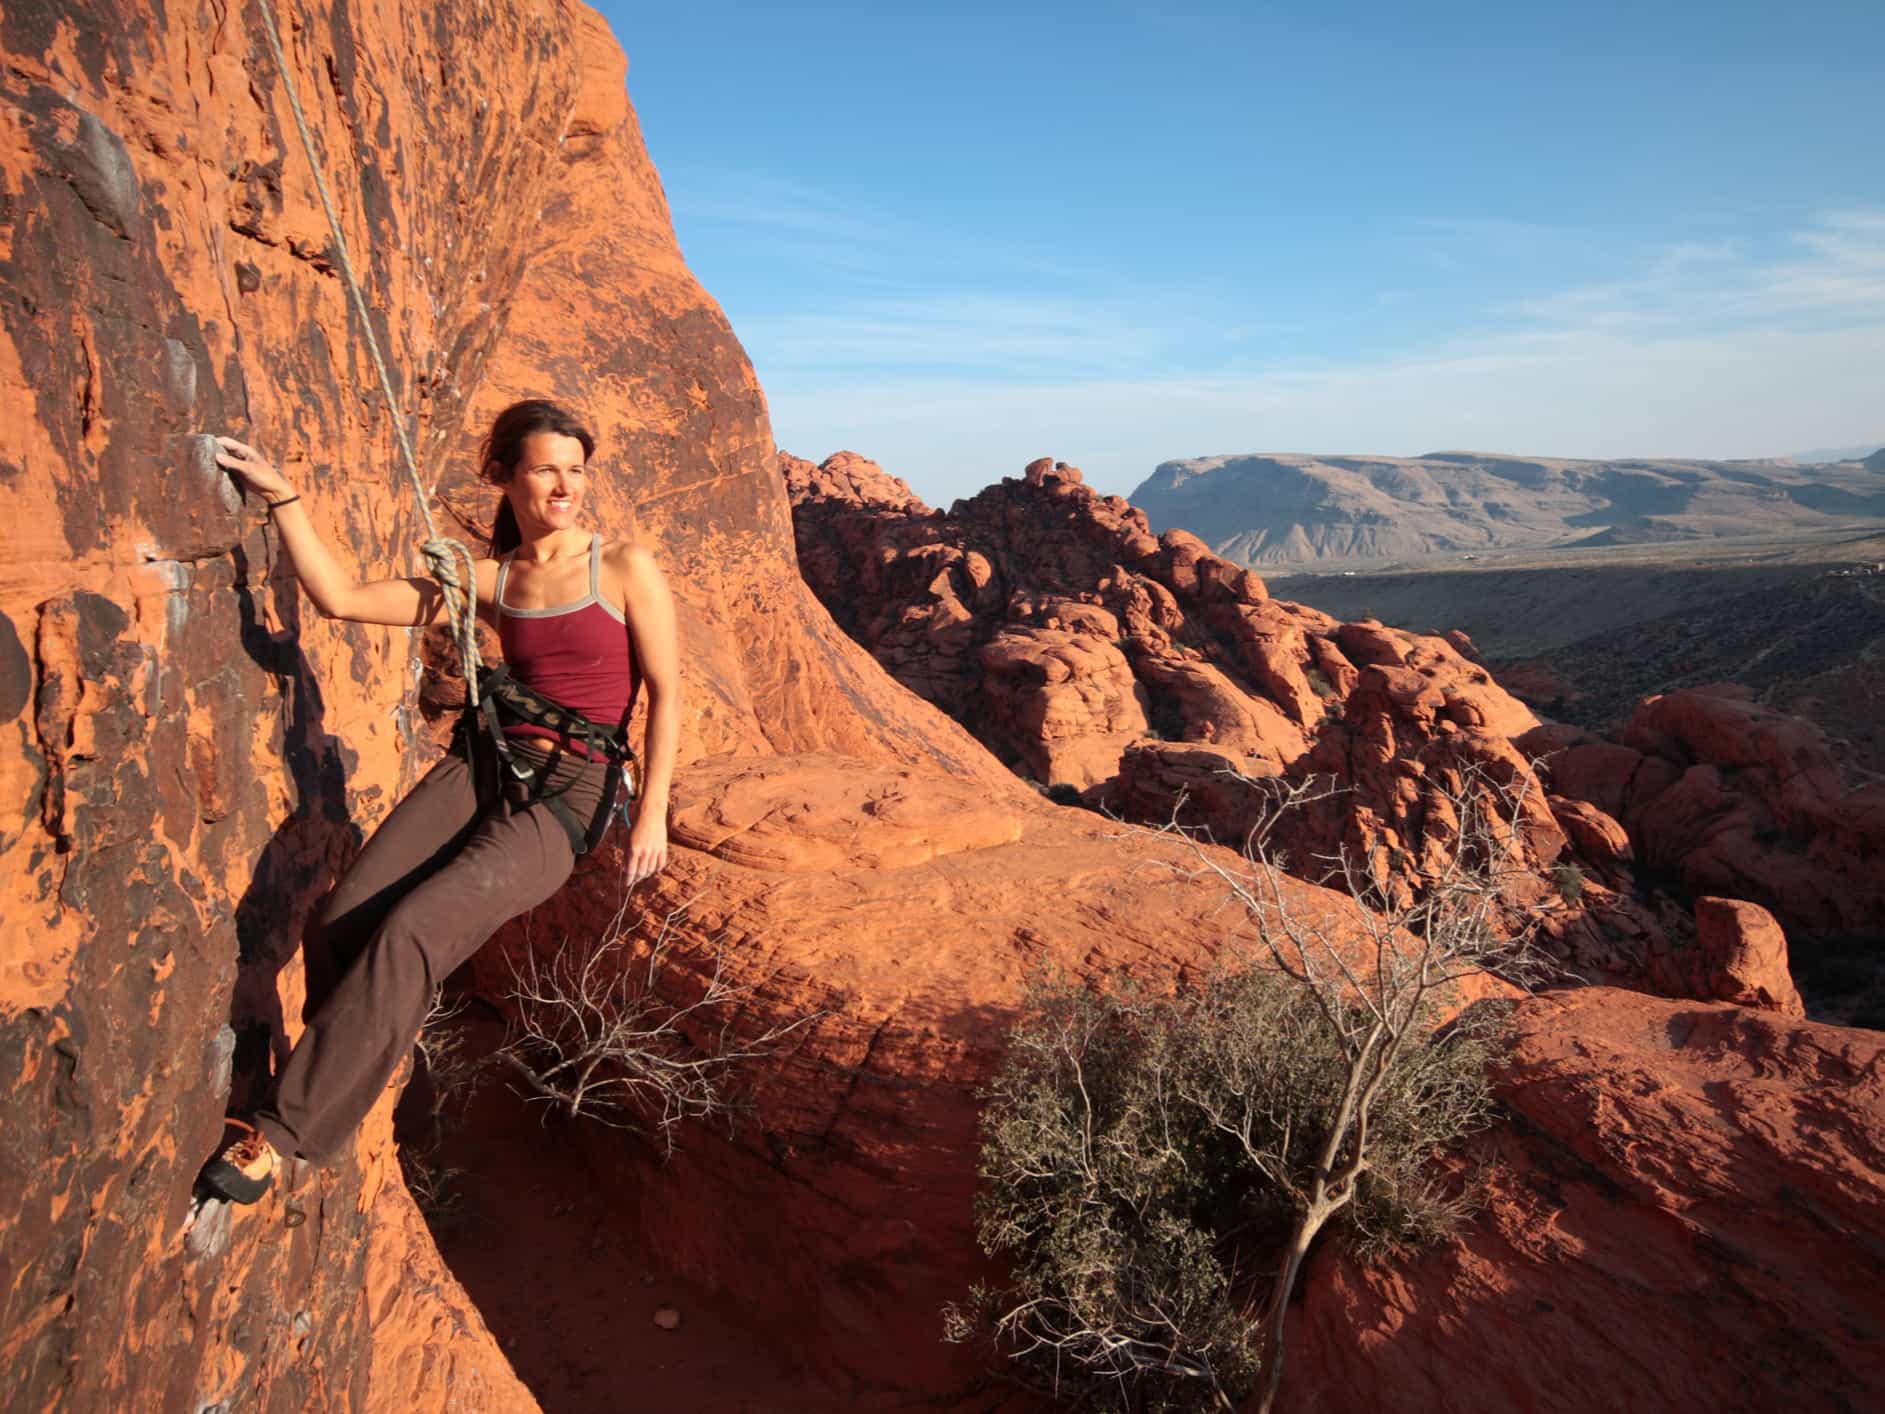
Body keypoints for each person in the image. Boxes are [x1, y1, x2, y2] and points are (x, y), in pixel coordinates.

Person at [198, 399, 680, 1204]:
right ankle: (358, 1046)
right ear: (505, 476)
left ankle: (279, 1135)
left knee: (416, 928)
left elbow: (665, 692)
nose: (564, 486)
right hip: (482, 763)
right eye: (545, 469)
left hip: (566, 795)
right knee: (342, 918)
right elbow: (342, 599)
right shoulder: (487, 579)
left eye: (575, 470)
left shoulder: (624, 566)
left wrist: (654, 811)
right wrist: (284, 500)